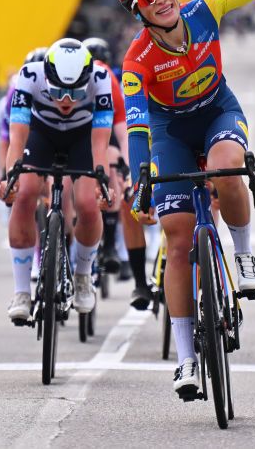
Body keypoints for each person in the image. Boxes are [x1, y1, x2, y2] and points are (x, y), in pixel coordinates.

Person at [120, 0, 255, 398]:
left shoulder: (205, 9)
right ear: (139, 13)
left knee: (227, 169)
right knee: (177, 239)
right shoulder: (136, 60)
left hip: (218, 113)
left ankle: (244, 255)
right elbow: (138, 128)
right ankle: (185, 360)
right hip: (170, 133)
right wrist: (140, 184)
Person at [0, 39, 116, 323]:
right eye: (58, 91)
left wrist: (102, 180)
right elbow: (17, 135)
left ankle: (83, 276)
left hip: (82, 138)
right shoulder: (30, 75)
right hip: (41, 135)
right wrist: (11, 177)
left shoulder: (100, 78)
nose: (66, 100)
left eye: (75, 93)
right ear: (47, 77)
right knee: (24, 193)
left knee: (88, 203)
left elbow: (100, 143)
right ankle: (21, 291)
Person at [83, 36, 154, 308]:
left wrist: (127, 169)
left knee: (116, 171)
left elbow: (123, 133)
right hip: (75, 134)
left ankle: (112, 245)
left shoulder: (110, 81)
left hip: (111, 130)